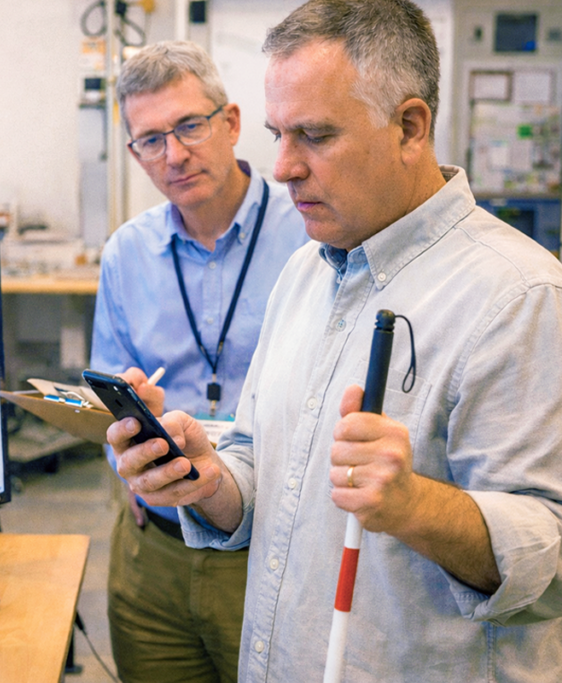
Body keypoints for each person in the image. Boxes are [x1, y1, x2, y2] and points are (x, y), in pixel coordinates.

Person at [107, 1, 562, 681]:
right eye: (278, 135)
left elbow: (548, 559)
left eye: (315, 136)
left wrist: (415, 505)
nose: (283, 166)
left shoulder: (519, 294)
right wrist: (207, 478)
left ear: (410, 127)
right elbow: (261, 470)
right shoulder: (305, 272)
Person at [90, 41, 307, 683]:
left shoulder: (310, 233)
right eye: (150, 139)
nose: (174, 155)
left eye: (189, 125)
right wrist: (131, 444)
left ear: (232, 122)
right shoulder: (126, 254)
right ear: (134, 153)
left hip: (275, 550)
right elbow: (106, 397)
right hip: (153, 549)